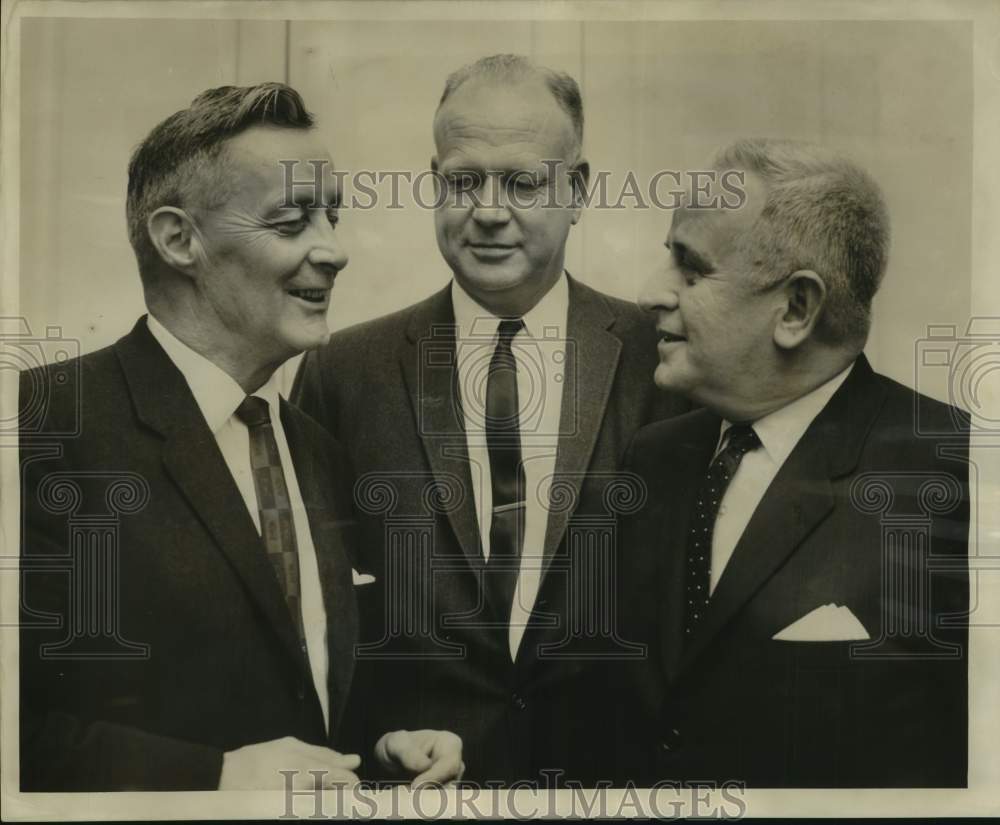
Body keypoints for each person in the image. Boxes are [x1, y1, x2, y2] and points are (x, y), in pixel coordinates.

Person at [19, 82, 462, 791]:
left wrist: (380, 746)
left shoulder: (314, 446)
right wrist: (216, 777)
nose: (335, 250)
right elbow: (22, 735)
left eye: (332, 217)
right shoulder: (43, 424)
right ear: (178, 239)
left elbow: (298, 695)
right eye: (292, 222)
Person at [293, 55, 687, 784]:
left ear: (579, 189)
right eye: (463, 180)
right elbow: (316, 618)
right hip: (416, 790)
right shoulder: (343, 371)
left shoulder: (662, 360)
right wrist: (381, 743)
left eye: (524, 181)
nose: (489, 209)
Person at [617, 138, 969, 787]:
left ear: (796, 308)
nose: (649, 293)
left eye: (691, 271)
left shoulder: (956, 475)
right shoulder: (652, 458)